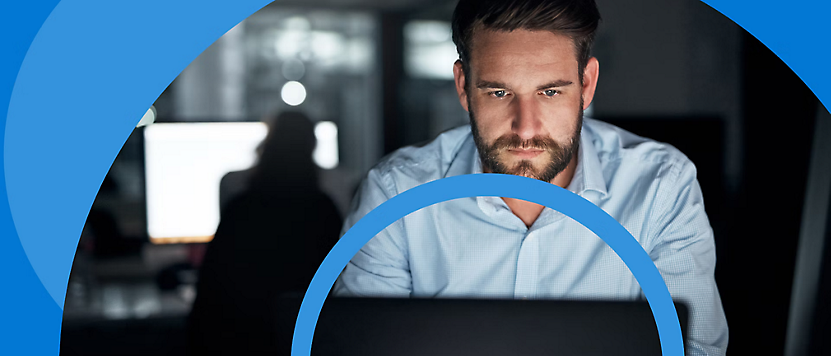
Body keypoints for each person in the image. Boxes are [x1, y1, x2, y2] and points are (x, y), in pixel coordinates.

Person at [333, 0, 728, 354]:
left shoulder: (660, 185)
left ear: (586, 85)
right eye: (499, 93)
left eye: (550, 92)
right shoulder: (395, 192)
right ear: (464, 87)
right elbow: (357, 347)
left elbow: (696, 348)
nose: (525, 128)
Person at [187, 112, 342, 355]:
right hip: (309, 339)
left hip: (243, 340)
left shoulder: (240, 208)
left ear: (267, 145)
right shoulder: (324, 209)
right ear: (311, 148)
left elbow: (210, 292)